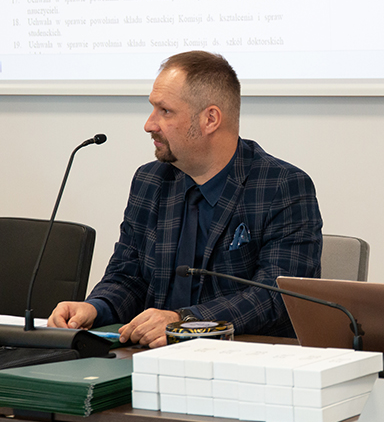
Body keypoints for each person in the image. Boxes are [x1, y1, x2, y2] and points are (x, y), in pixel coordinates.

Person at [48, 51, 323, 347]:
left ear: (210, 119)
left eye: (165, 111)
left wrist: (185, 322)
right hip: (152, 356)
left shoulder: (282, 186)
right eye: (153, 109)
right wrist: (96, 307)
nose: (149, 124)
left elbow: (275, 298)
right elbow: (128, 277)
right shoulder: (150, 180)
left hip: (243, 357)